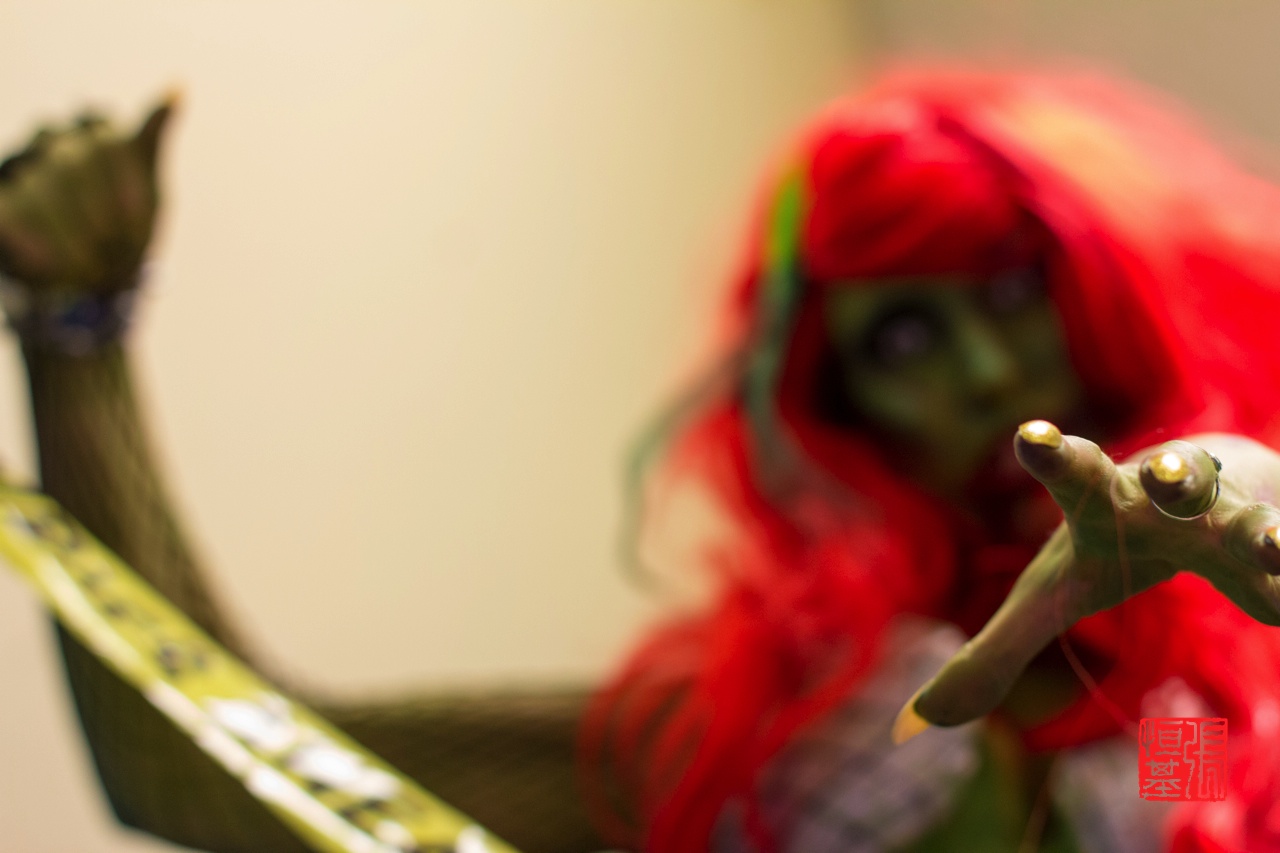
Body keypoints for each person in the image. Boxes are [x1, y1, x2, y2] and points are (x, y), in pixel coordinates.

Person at [5, 67, 1280, 853]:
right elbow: (206, 773)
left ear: (1115, 295)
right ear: (835, 407)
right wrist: (77, 332)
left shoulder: (1202, 715)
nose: (988, 373)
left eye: (1011, 288)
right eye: (902, 336)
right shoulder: (798, 743)